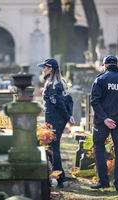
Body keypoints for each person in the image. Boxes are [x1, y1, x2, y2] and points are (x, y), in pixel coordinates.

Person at [90, 55, 118, 192]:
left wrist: (105, 118)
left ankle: (103, 181)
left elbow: (94, 101)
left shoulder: (101, 79)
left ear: (105, 65)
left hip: (102, 121)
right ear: (116, 65)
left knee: (99, 148)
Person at [37, 58, 75, 188]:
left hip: (55, 120)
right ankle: (60, 176)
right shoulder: (61, 82)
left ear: (50, 69)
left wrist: (67, 116)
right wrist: (69, 116)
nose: (42, 70)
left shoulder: (53, 85)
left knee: (54, 149)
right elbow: (69, 100)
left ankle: (58, 178)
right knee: (54, 147)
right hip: (58, 119)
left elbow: (59, 103)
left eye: (44, 68)